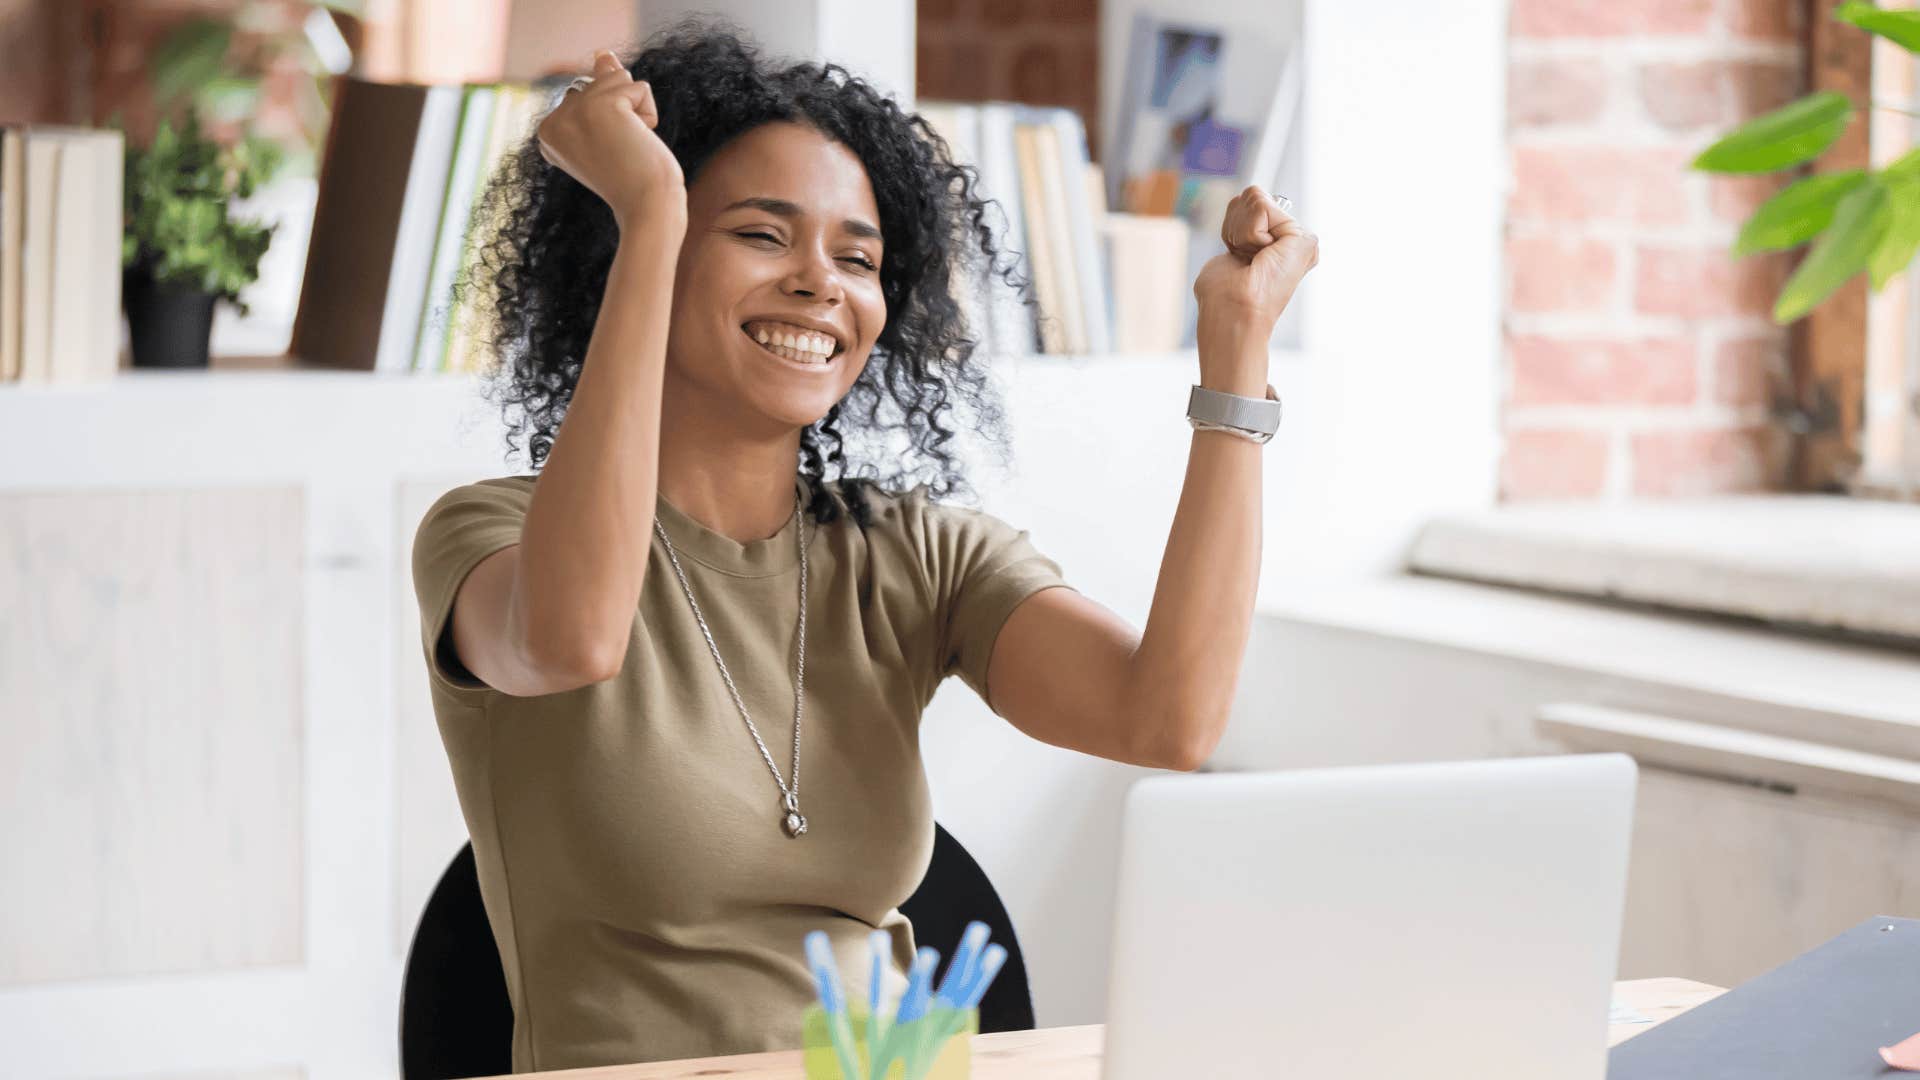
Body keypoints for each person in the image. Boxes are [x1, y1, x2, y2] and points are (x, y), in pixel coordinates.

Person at [410, 19, 1317, 1073]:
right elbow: (571, 641)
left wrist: (1237, 354)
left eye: (858, 257)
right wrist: (652, 209)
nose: (819, 282)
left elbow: (1169, 721)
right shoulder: (490, 533)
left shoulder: (912, 553)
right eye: (759, 234)